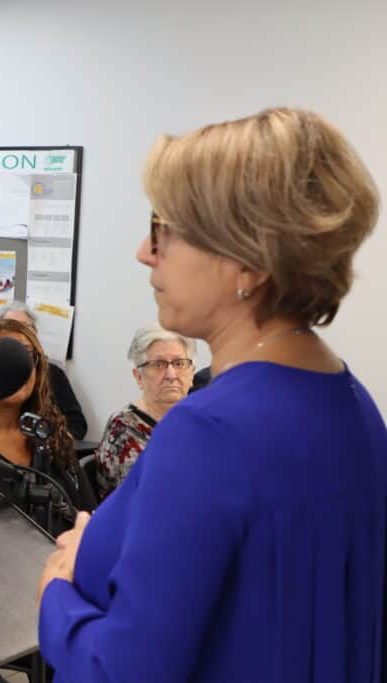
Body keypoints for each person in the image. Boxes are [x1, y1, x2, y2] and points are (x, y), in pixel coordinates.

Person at [38, 108, 386, 682]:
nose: (144, 253)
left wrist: (57, 594)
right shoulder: (353, 405)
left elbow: (120, 671)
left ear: (246, 255)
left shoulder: (211, 431)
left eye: (161, 229)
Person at [0, 319, 96, 538]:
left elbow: (88, 516)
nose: (18, 370)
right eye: (5, 360)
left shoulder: (51, 437)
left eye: (28, 357)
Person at [94, 323, 195, 498]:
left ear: (192, 373)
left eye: (179, 363)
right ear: (139, 377)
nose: (171, 374)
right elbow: (149, 500)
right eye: (159, 365)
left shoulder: (198, 420)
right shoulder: (124, 429)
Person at [0, 302, 88, 440]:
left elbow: (78, 426)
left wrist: (47, 435)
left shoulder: (52, 374)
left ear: (35, 333)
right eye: (12, 326)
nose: (21, 333)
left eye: (26, 327)